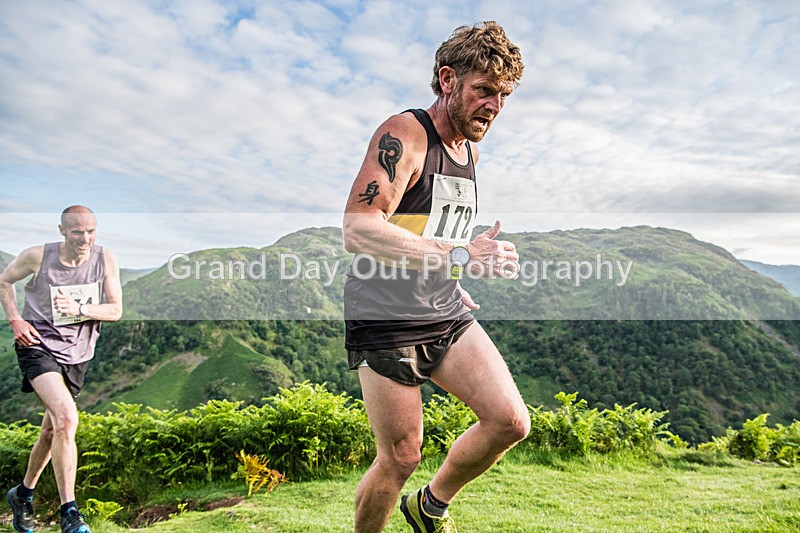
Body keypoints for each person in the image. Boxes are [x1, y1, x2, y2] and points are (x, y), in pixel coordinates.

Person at [343, 21, 530, 533]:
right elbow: (359, 228)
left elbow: (433, 230)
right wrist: (460, 256)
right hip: (385, 317)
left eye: (504, 94)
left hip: (443, 308)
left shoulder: (470, 150)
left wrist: (455, 269)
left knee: (510, 421)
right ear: (448, 80)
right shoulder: (403, 135)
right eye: (484, 90)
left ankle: (429, 506)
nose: (494, 106)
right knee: (400, 457)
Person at [2, 206, 122, 533]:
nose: (85, 239)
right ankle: (70, 513)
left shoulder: (105, 259)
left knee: (52, 430)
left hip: (78, 354)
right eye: (77, 233)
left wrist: (81, 308)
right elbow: (4, 281)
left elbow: (115, 309)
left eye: (91, 232)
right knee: (68, 419)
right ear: (61, 231)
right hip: (36, 345)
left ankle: (23, 494)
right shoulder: (37, 257)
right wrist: (15, 319)